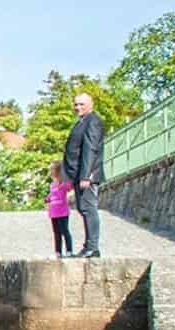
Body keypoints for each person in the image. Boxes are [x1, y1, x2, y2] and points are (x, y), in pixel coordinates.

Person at [62, 93, 105, 258]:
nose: (77, 107)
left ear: (90, 104)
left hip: (87, 175)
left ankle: (92, 247)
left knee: (88, 208)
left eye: (81, 104)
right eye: (76, 104)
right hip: (79, 174)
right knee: (83, 208)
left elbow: (90, 149)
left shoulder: (92, 121)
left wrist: (86, 176)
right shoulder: (83, 121)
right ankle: (89, 246)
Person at [45, 161, 74, 258]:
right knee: (56, 233)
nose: (51, 171)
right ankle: (58, 251)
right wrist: (47, 199)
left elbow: (71, 187)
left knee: (65, 231)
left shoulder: (64, 184)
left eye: (52, 169)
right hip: (53, 212)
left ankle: (69, 250)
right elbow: (51, 195)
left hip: (63, 212)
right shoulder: (52, 184)